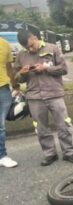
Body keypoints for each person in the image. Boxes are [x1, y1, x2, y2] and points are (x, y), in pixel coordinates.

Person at [14, 30, 73, 166]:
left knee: (64, 125)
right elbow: (17, 79)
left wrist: (46, 68)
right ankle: (50, 154)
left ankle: (69, 152)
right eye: (27, 48)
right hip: (34, 97)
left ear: (35, 38)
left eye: (32, 45)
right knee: (41, 128)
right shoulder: (21, 56)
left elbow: (64, 69)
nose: (30, 49)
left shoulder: (53, 48)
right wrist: (22, 73)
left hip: (54, 93)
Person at [0, 36, 18, 168]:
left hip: (3, 89)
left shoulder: (5, 44)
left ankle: (2, 155)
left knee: (1, 126)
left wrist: (15, 85)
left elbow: (9, 68)